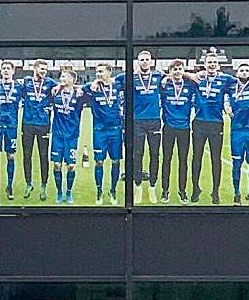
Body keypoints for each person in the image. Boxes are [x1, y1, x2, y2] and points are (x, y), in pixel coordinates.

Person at [191, 53, 236, 204]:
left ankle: (215, 191)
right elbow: (174, 73)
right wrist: (190, 74)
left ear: (218, 65)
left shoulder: (225, 79)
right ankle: (195, 189)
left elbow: (246, 81)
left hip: (216, 123)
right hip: (199, 122)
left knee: (215, 159)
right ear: (204, 64)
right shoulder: (197, 78)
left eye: (214, 62)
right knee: (196, 157)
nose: (211, 65)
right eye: (209, 62)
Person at [121, 50, 163, 204]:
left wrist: (189, 75)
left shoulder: (158, 76)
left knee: (154, 155)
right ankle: (137, 187)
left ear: (151, 61)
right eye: (142, 59)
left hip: (154, 120)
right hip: (136, 121)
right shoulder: (130, 77)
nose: (144, 62)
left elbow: (175, 75)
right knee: (137, 155)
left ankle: (152, 187)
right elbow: (109, 80)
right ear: (137, 62)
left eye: (147, 59)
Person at [84, 63, 123, 205]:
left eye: (101, 72)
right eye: (96, 72)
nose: (98, 74)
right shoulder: (91, 87)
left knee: (116, 161)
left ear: (109, 72)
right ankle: (99, 191)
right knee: (99, 161)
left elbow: (132, 74)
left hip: (115, 130)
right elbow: (77, 89)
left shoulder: (118, 84)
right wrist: (94, 82)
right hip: (99, 131)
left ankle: (113, 190)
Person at [19, 59, 56, 200]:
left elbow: (64, 87)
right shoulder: (26, 82)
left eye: (45, 70)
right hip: (27, 124)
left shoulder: (50, 83)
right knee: (27, 155)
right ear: (34, 68)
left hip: (43, 124)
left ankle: (43, 186)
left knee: (43, 155)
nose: (44, 72)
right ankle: (28, 184)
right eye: (41, 69)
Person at [49, 67, 86, 204]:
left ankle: (69, 192)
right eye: (61, 77)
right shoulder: (55, 91)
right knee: (57, 165)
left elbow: (91, 88)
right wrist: (59, 85)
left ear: (71, 79)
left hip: (72, 136)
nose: (61, 79)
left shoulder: (79, 95)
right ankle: (59, 192)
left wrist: (77, 87)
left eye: (64, 77)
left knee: (70, 166)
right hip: (57, 135)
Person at [0, 60, 23, 200]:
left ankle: (9, 186)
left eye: (8, 68)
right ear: (0, 71)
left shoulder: (19, 87)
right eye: (4, 68)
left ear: (13, 71)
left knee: (10, 156)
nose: (6, 70)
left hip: (11, 126)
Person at [160, 60, 196, 204]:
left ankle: (182, 191)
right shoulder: (164, 85)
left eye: (180, 69)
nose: (177, 71)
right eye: (174, 69)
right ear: (170, 71)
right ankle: (165, 190)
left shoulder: (190, 85)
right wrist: (165, 77)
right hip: (168, 127)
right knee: (166, 160)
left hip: (184, 129)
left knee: (183, 161)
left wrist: (188, 74)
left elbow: (200, 76)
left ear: (183, 70)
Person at [227, 62, 249, 206]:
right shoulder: (231, 86)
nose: (245, 72)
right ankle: (236, 193)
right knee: (236, 163)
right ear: (237, 73)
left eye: (247, 70)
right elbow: (225, 99)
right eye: (242, 70)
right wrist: (227, 107)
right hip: (237, 130)